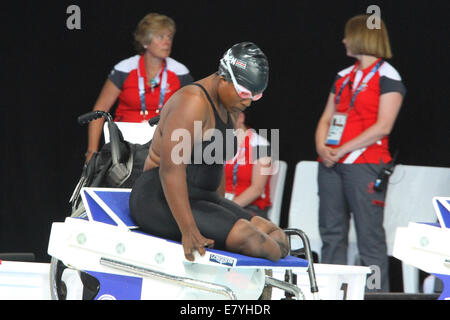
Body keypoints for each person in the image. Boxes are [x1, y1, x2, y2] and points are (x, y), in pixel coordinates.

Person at [130, 42, 289, 262]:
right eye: (244, 93)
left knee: (276, 235)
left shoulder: (231, 106)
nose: (248, 102)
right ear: (224, 77)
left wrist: (223, 221)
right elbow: (170, 170)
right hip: (158, 198)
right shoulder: (192, 103)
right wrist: (188, 230)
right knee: (253, 240)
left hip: (201, 198)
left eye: (256, 96)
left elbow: (215, 165)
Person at [314, 15, 406, 292]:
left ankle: (375, 295)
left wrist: (341, 149)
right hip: (331, 164)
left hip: (365, 164)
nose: (343, 41)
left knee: (369, 238)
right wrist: (321, 147)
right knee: (332, 235)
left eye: (347, 35)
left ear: (361, 37)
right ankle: (331, 294)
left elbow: (384, 126)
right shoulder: (343, 77)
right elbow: (326, 119)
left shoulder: (388, 75)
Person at [85, 13, 193, 162]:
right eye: (161, 37)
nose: (167, 42)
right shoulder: (124, 69)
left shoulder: (180, 72)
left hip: (164, 144)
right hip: (124, 146)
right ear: (145, 42)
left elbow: (194, 112)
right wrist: (91, 151)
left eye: (169, 37)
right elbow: (99, 110)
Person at [224, 111, 273, 219]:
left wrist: (226, 208)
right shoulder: (221, 142)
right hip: (223, 203)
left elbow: (257, 189)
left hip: (250, 208)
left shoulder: (260, 144)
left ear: (241, 117)